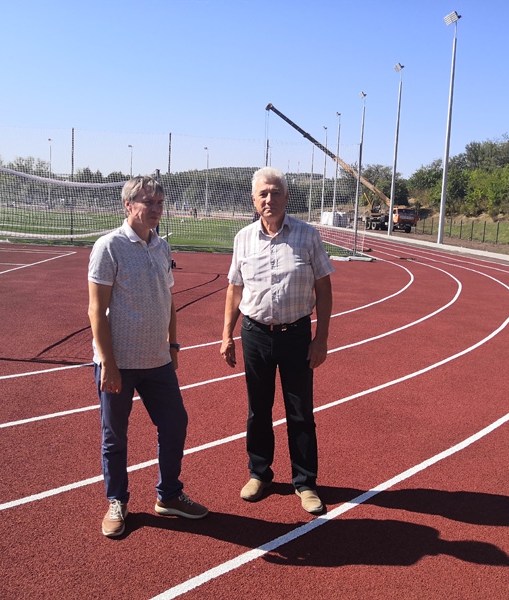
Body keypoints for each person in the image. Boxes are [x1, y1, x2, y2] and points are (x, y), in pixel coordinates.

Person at [88, 175, 208, 538]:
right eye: (148, 202)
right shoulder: (108, 247)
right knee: (115, 436)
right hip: (119, 363)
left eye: (159, 203)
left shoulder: (161, 246)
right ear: (128, 205)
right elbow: (96, 310)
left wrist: (173, 345)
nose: (155, 209)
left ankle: (169, 494)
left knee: (175, 424)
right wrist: (108, 363)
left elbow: (168, 300)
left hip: (157, 361)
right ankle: (117, 501)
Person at [220, 166, 334, 515]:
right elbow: (235, 289)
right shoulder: (243, 238)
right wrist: (226, 335)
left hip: (296, 335)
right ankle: (260, 473)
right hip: (255, 334)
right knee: (258, 410)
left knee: (300, 412)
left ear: (286, 197)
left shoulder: (307, 235)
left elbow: (324, 289)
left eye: (275, 192)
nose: (269, 199)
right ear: (254, 200)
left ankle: (305, 482)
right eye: (263, 194)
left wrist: (321, 339)